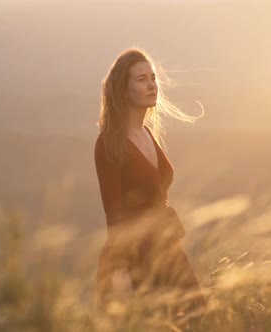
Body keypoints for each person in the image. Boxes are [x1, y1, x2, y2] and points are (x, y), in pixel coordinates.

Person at [93, 47, 207, 330]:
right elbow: (114, 212)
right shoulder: (109, 143)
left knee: (199, 320)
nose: (152, 84)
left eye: (153, 77)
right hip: (137, 257)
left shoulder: (147, 134)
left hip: (167, 249)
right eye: (141, 79)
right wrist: (121, 272)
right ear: (123, 89)